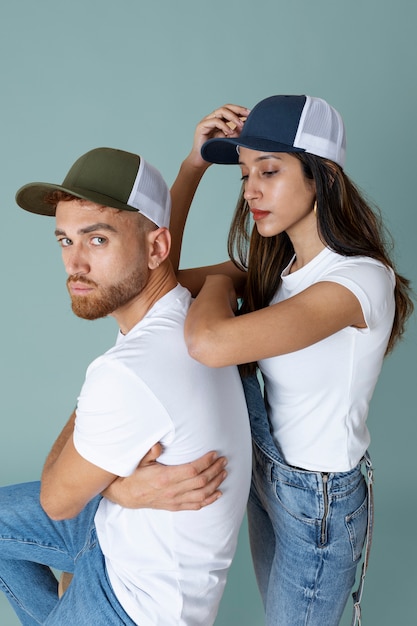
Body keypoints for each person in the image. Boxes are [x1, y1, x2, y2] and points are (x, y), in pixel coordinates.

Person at [152, 96, 414, 625]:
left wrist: (225, 282)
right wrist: (192, 165)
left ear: (323, 178)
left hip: (318, 501)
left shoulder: (358, 281)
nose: (251, 189)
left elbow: (208, 343)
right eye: (245, 174)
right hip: (266, 474)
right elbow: (160, 279)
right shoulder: (277, 264)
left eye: (269, 171)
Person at [0, 147, 252, 625]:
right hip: (121, 541)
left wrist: (107, 487)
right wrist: (116, 489)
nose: (75, 263)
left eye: (97, 240)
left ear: (157, 248)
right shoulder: (184, 313)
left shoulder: (130, 370)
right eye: (65, 240)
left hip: (132, 603)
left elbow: (57, 499)